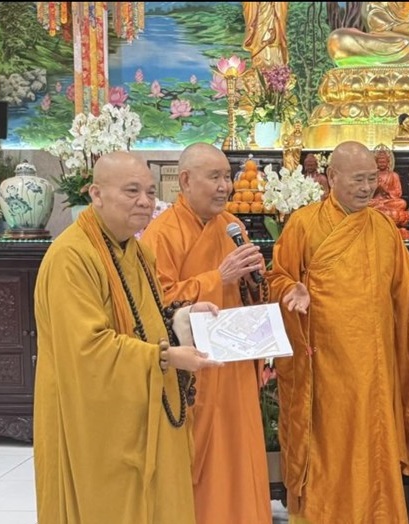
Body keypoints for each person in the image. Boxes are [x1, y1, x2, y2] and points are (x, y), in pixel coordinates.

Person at [267, 141, 409, 523]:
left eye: (371, 179)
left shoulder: (382, 227)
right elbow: (277, 278)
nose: (366, 188)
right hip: (325, 371)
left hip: (375, 370)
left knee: (373, 448)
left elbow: (406, 289)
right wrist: (291, 289)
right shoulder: (303, 224)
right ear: (332, 178)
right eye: (357, 179)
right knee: (329, 450)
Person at [33, 151, 221, 524]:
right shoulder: (71, 258)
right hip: (97, 425)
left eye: (150, 192)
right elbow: (88, 349)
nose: (145, 202)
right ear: (96, 194)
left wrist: (182, 319)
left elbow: (145, 322)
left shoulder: (136, 251)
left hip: (145, 410)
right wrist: (165, 358)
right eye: (132, 191)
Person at [139, 143, 272, 524]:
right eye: (214, 177)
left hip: (235, 361)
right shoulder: (161, 234)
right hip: (194, 369)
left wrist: (253, 281)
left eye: (227, 177)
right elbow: (156, 303)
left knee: (240, 453)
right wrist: (218, 278)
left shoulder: (233, 226)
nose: (225, 186)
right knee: (201, 458)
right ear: (185, 180)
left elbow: (250, 293)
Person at [243, 2, 290, 68]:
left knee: (273, 36)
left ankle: (277, 68)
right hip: (260, 15)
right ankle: (259, 66)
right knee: (259, 37)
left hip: (272, 13)